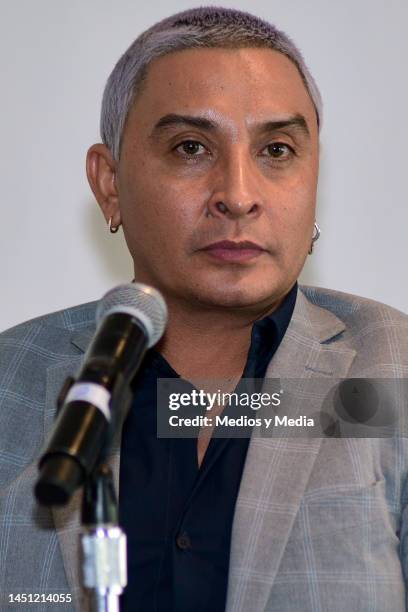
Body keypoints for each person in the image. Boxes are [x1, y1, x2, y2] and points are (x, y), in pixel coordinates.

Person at [1, 6, 408, 612]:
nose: (239, 195)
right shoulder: (10, 379)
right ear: (109, 183)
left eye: (276, 149)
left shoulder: (391, 366)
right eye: (191, 147)